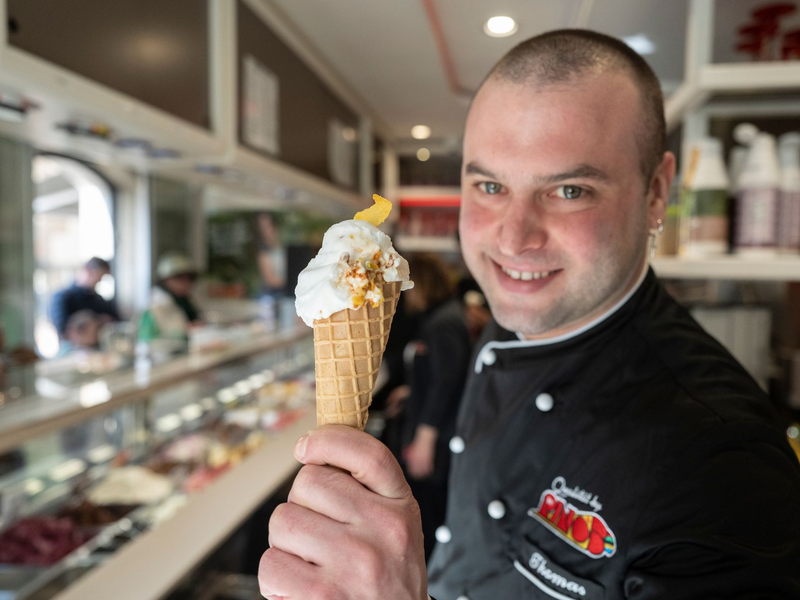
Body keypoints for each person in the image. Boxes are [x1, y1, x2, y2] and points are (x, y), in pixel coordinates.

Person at [259, 30, 800, 600]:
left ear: (657, 192)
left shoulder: (724, 465)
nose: (513, 240)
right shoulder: (518, 315)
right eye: (490, 185)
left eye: (569, 190)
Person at [398, 254, 471, 561]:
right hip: (435, 432)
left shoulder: (443, 324)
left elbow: (447, 384)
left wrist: (424, 441)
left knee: (427, 514)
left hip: (437, 440)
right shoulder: (446, 316)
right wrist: (410, 390)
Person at [138, 254, 201, 346]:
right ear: (166, 280)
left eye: (188, 279)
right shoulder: (154, 305)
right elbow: (146, 340)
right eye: (180, 279)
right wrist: (184, 331)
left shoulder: (184, 301)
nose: (186, 283)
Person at [50, 257, 119, 338]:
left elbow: (117, 322)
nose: (99, 281)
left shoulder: (99, 300)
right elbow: (62, 330)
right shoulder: (62, 298)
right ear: (89, 271)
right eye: (99, 277)